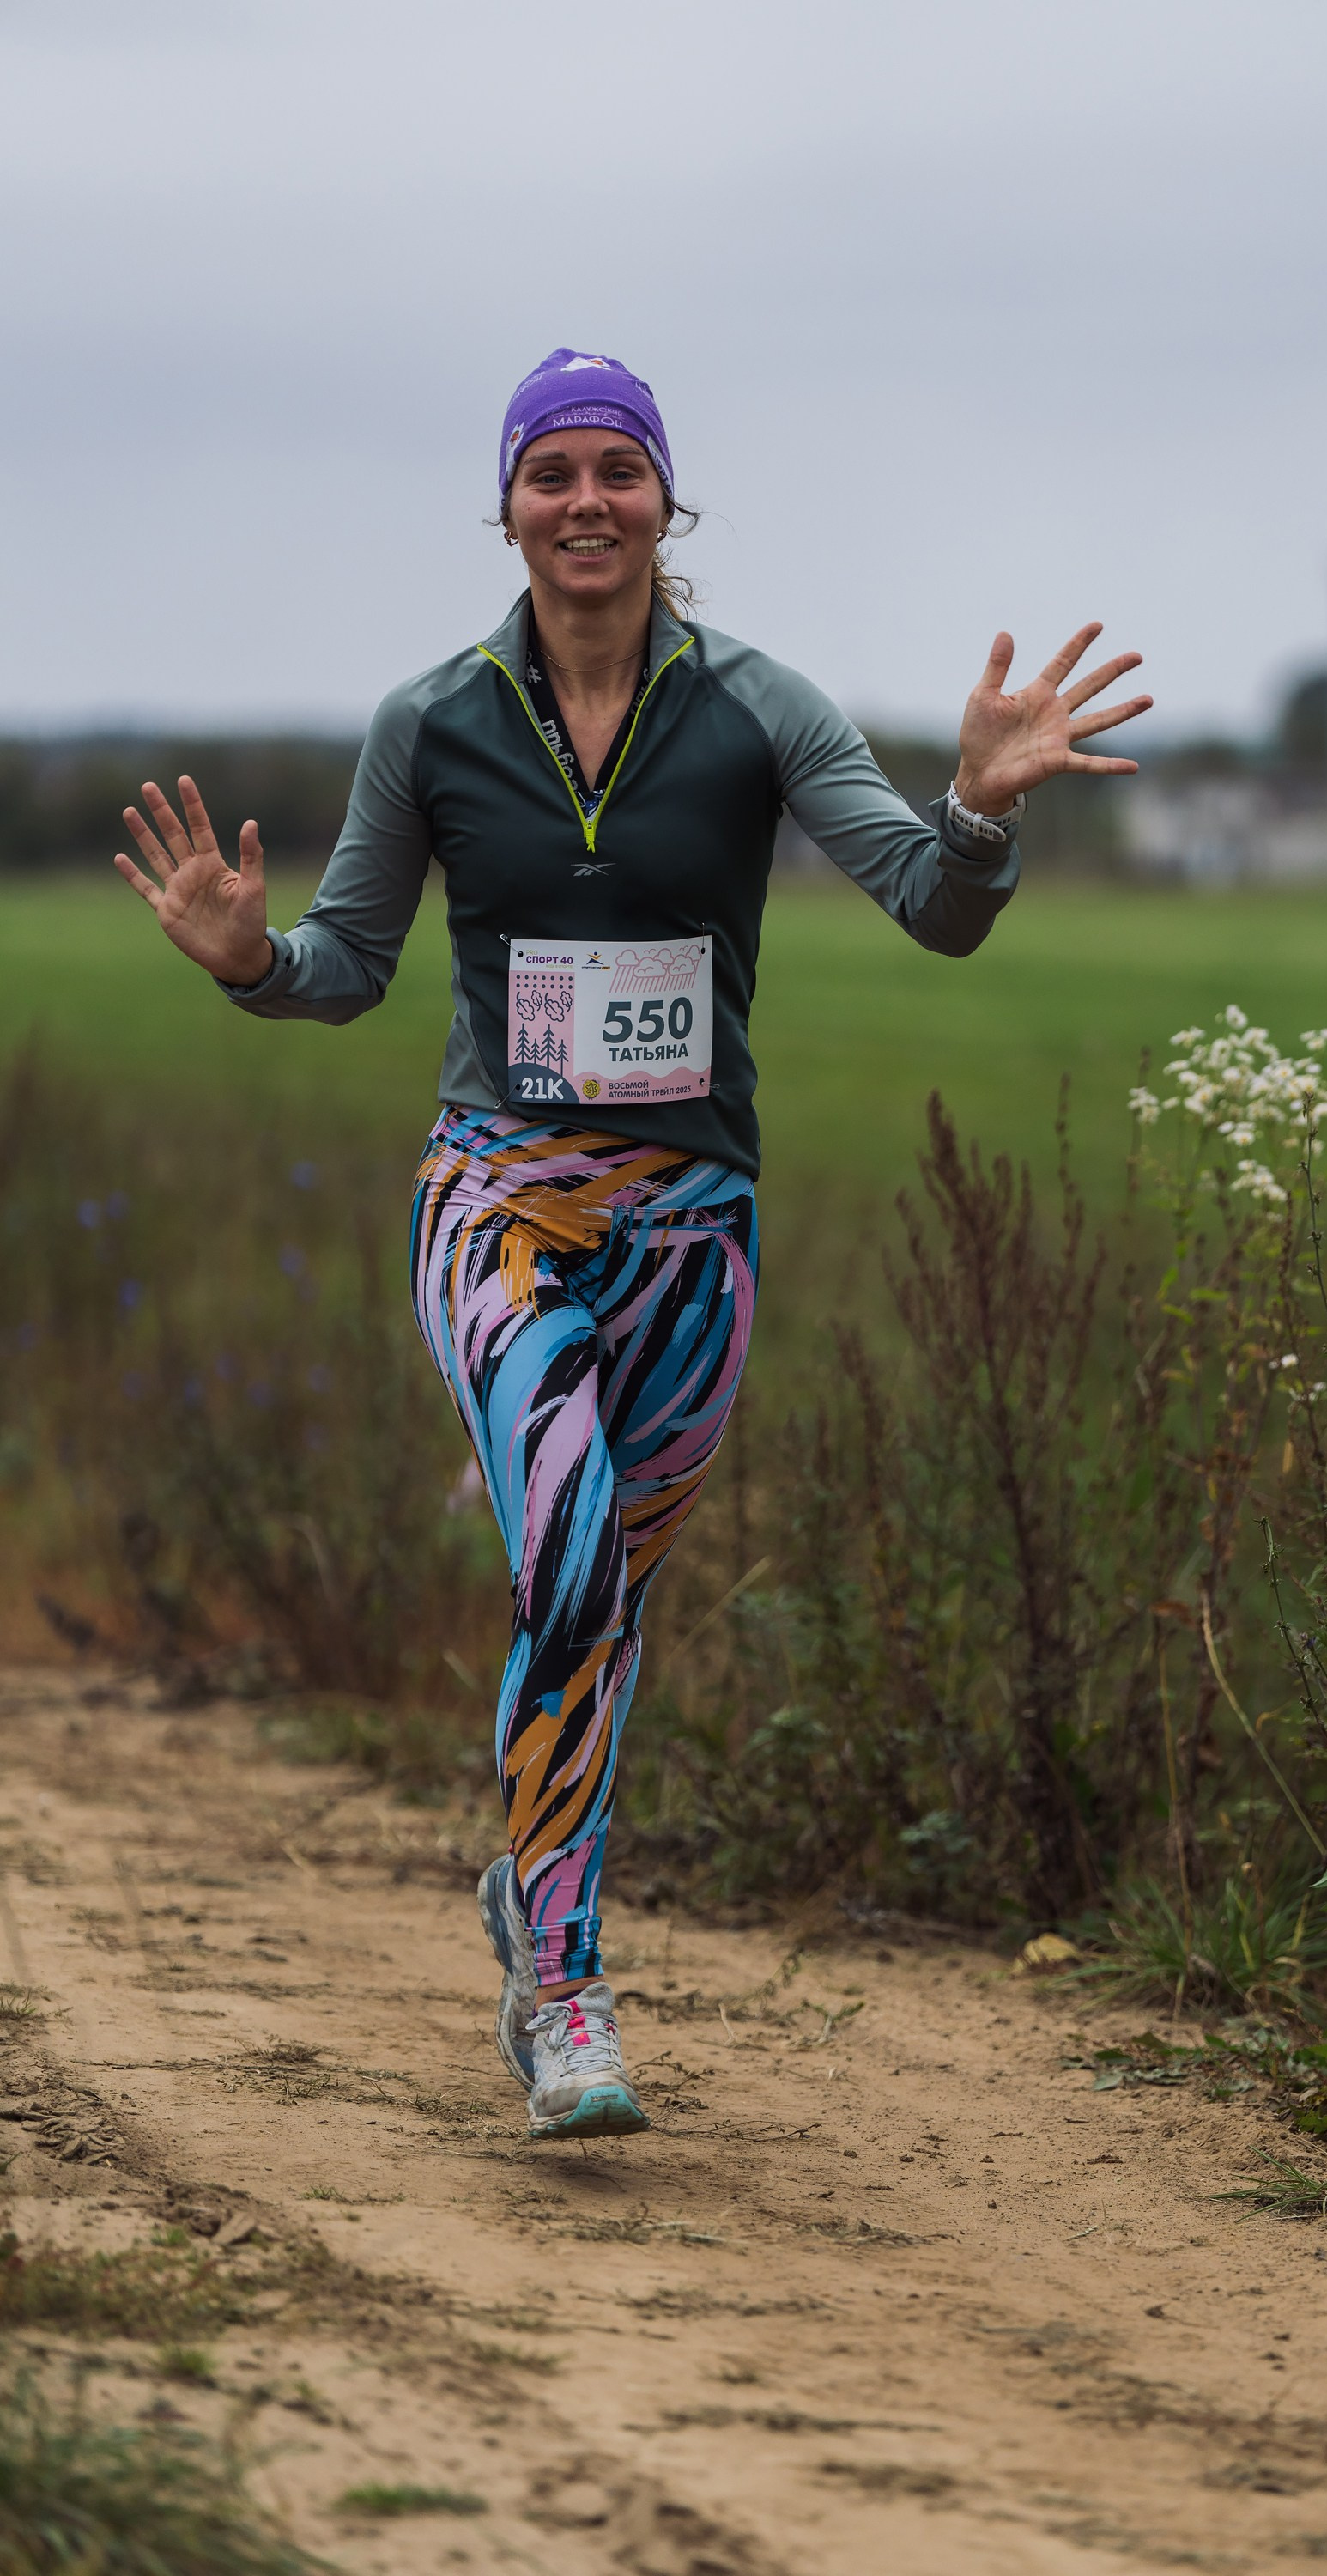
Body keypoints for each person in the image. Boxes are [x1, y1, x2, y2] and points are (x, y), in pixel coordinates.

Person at [114, 348, 1152, 2142]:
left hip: (694, 1233)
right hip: (497, 1197)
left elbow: (931, 909)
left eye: (618, 472)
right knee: (572, 1559)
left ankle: (530, 1876)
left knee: (597, 1607)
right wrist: (248, 962)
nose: (585, 503)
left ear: (667, 502)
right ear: (506, 506)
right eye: (550, 475)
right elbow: (347, 972)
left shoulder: (758, 708)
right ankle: (565, 1995)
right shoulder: (430, 724)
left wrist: (977, 812)